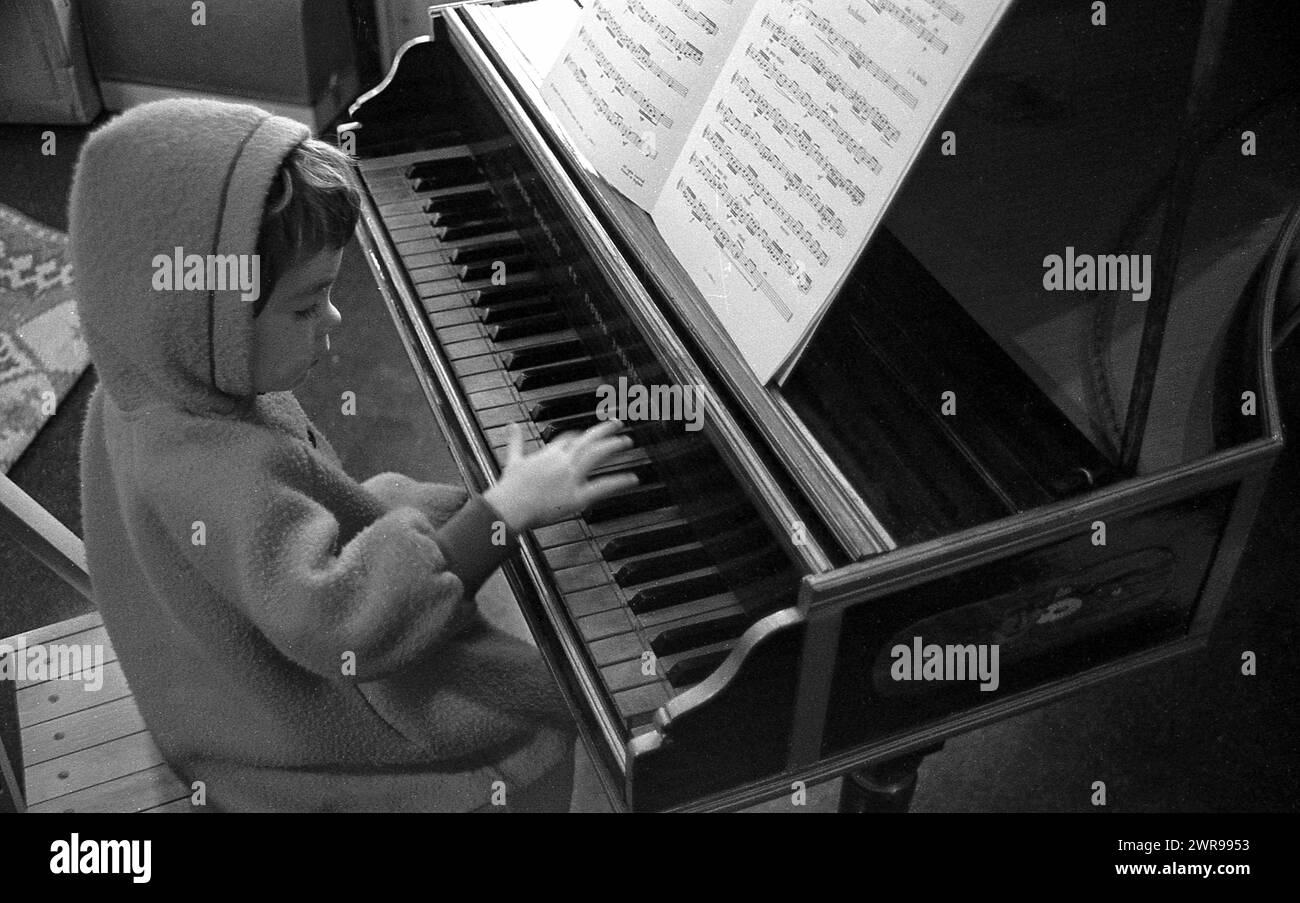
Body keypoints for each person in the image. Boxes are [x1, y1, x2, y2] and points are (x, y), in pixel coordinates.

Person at [70, 98, 634, 811]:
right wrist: (502, 512)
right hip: (271, 726)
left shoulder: (147, 377)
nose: (335, 319)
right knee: (548, 718)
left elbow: (277, 531)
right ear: (203, 315)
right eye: (307, 306)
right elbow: (341, 622)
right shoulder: (213, 467)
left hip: (197, 666)